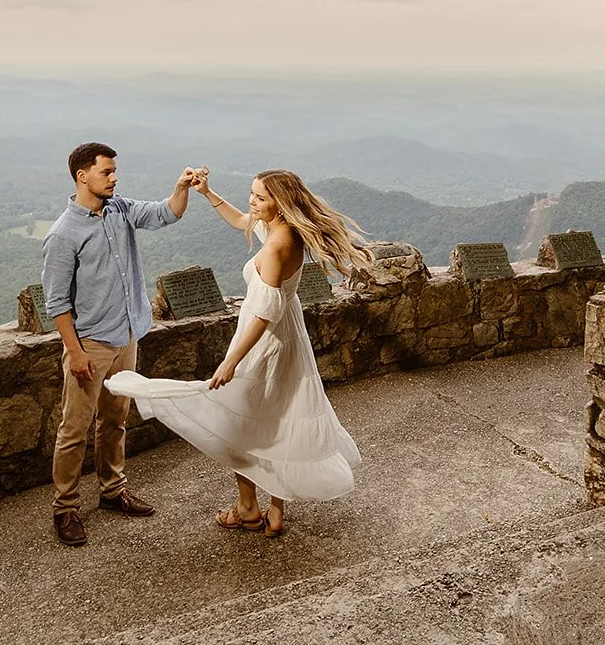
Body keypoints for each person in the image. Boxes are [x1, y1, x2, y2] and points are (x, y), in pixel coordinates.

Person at [106, 168, 370, 538]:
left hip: (263, 345)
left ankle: (248, 508)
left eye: (261, 197)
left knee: (242, 425)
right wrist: (208, 193)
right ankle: (274, 511)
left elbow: (263, 315)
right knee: (278, 422)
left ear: (280, 203)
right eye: (252, 193)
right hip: (289, 340)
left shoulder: (278, 247)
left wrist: (231, 362)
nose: (252, 201)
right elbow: (242, 220)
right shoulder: (284, 231)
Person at [41, 142, 201, 547]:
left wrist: (182, 186)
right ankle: (66, 508)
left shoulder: (121, 209)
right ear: (83, 176)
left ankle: (113, 491)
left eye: (114, 172)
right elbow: (57, 303)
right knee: (74, 429)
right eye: (107, 172)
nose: (114, 178)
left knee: (114, 421)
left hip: (126, 335)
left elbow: (167, 213)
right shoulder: (63, 234)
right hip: (90, 344)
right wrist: (75, 352)